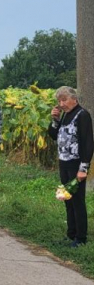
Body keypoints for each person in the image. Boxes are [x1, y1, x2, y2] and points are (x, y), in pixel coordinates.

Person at [48, 86, 93, 248]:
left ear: (74, 99)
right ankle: (71, 234)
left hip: (76, 164)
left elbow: (88, 143)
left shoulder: (82, 115)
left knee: (77, 201)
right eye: (59, 101)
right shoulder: (65, 115)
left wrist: (84, 168)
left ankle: (81, 238)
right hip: (64, 163)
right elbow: (53, 136)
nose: (61, 103)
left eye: (64, 100)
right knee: (66, 199)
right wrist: (55, 120)